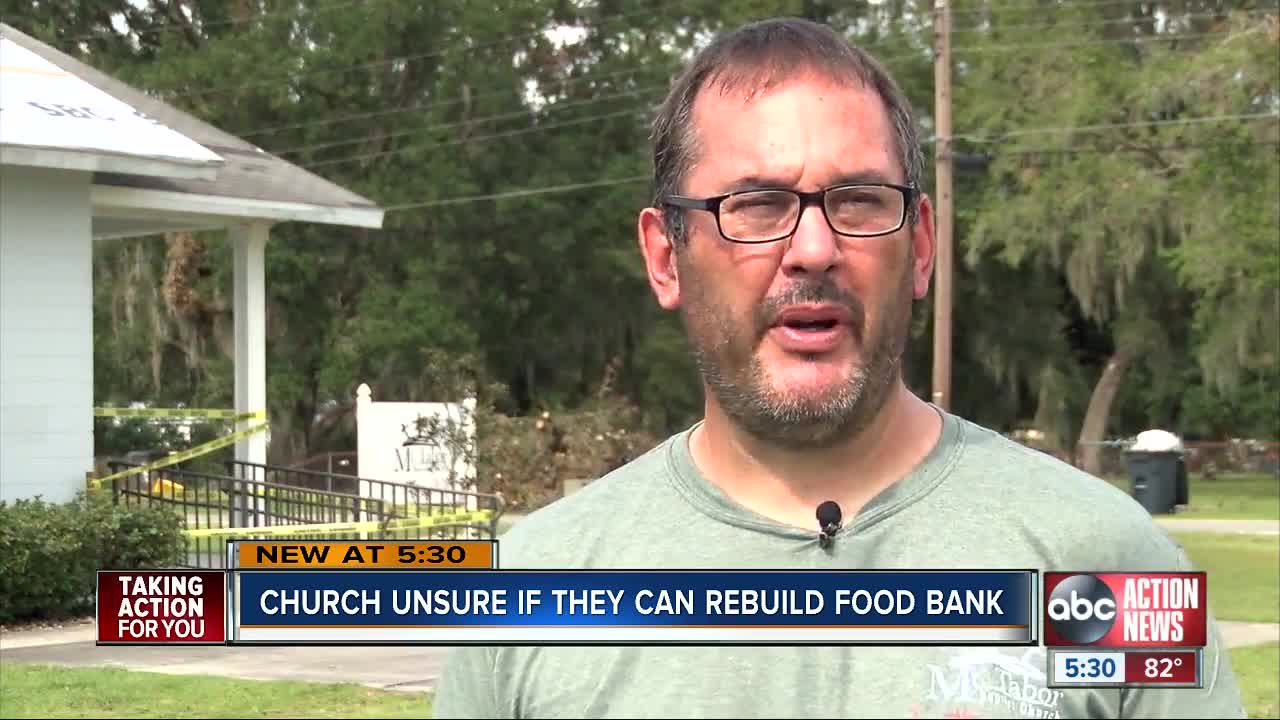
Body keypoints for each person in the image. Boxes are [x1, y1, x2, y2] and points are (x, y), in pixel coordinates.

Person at [433, 17, 1245, 719]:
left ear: (920, 245)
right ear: (665, 257)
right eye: (755, 205)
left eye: (858, 200)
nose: (814, 249)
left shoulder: (1106, 562)